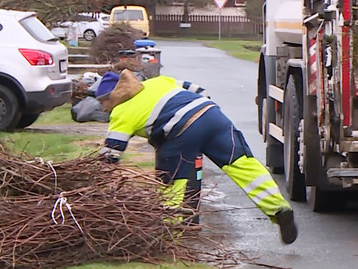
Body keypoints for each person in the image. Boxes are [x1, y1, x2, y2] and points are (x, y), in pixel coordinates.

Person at [94, 69, 297, 244]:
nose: (103, 108)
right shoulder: (158, 82)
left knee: (172, 181)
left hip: (180, 131)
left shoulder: (121, 112)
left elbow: (112, 154)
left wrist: (95, 180)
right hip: (212, 115)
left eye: (103, 102)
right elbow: (199, 90)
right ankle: (278, 208)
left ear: (113, 97)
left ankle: (170, 233)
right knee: (243, 164)